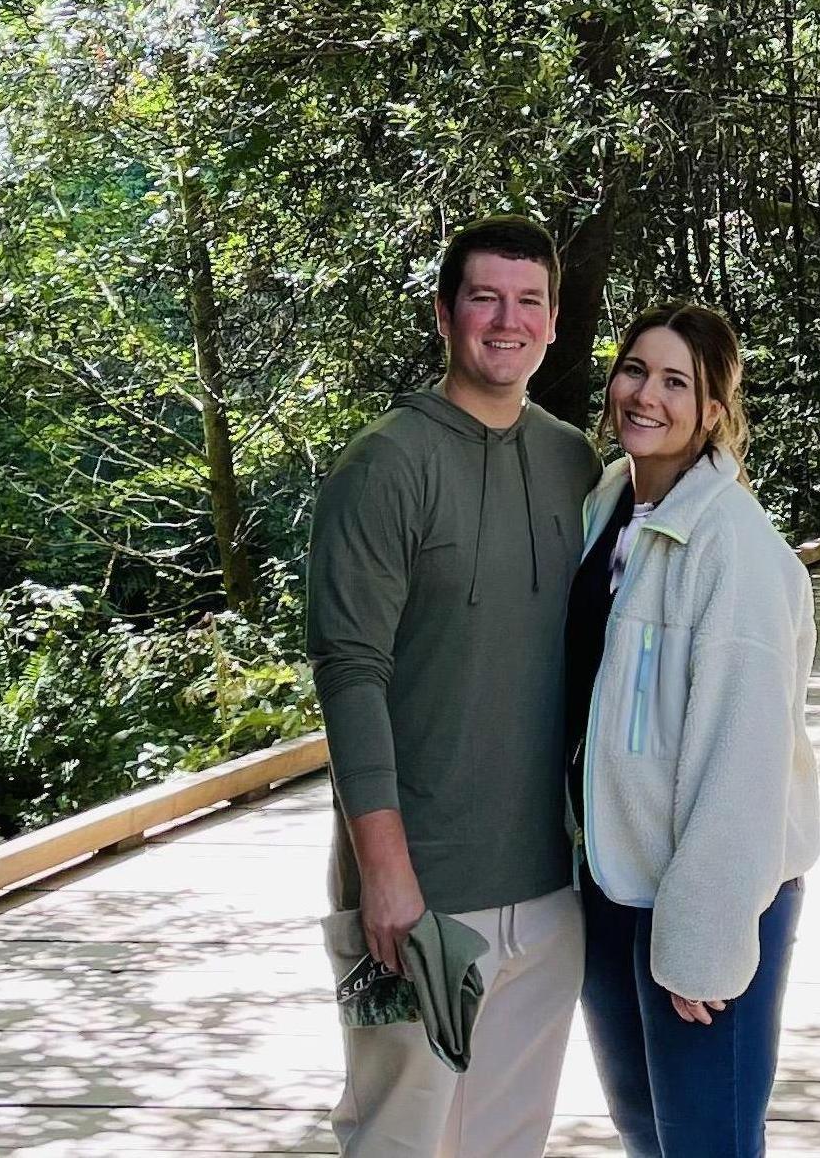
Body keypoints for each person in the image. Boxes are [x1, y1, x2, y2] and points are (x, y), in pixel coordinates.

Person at [307, 216, 601, 1158]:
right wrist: (384, 871)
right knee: (397, 1136)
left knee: (509, 1142)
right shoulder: (383, 466)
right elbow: (350, 673)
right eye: (484, 297)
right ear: (445, 313)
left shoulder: (574, 463)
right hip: (418, 893)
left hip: (551, 887)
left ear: (553, 322)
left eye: (528, 301)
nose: (506, 321)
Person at [568, 302, 819, 1158]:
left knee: (708, 1141)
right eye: (635, 369)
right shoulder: (608, 506)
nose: (647, 395)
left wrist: (703, 943)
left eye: (677, 381)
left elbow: (745, 761)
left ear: (714, 410)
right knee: (646, 1131)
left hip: (707, 900)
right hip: (613, 881)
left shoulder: (734, 550)